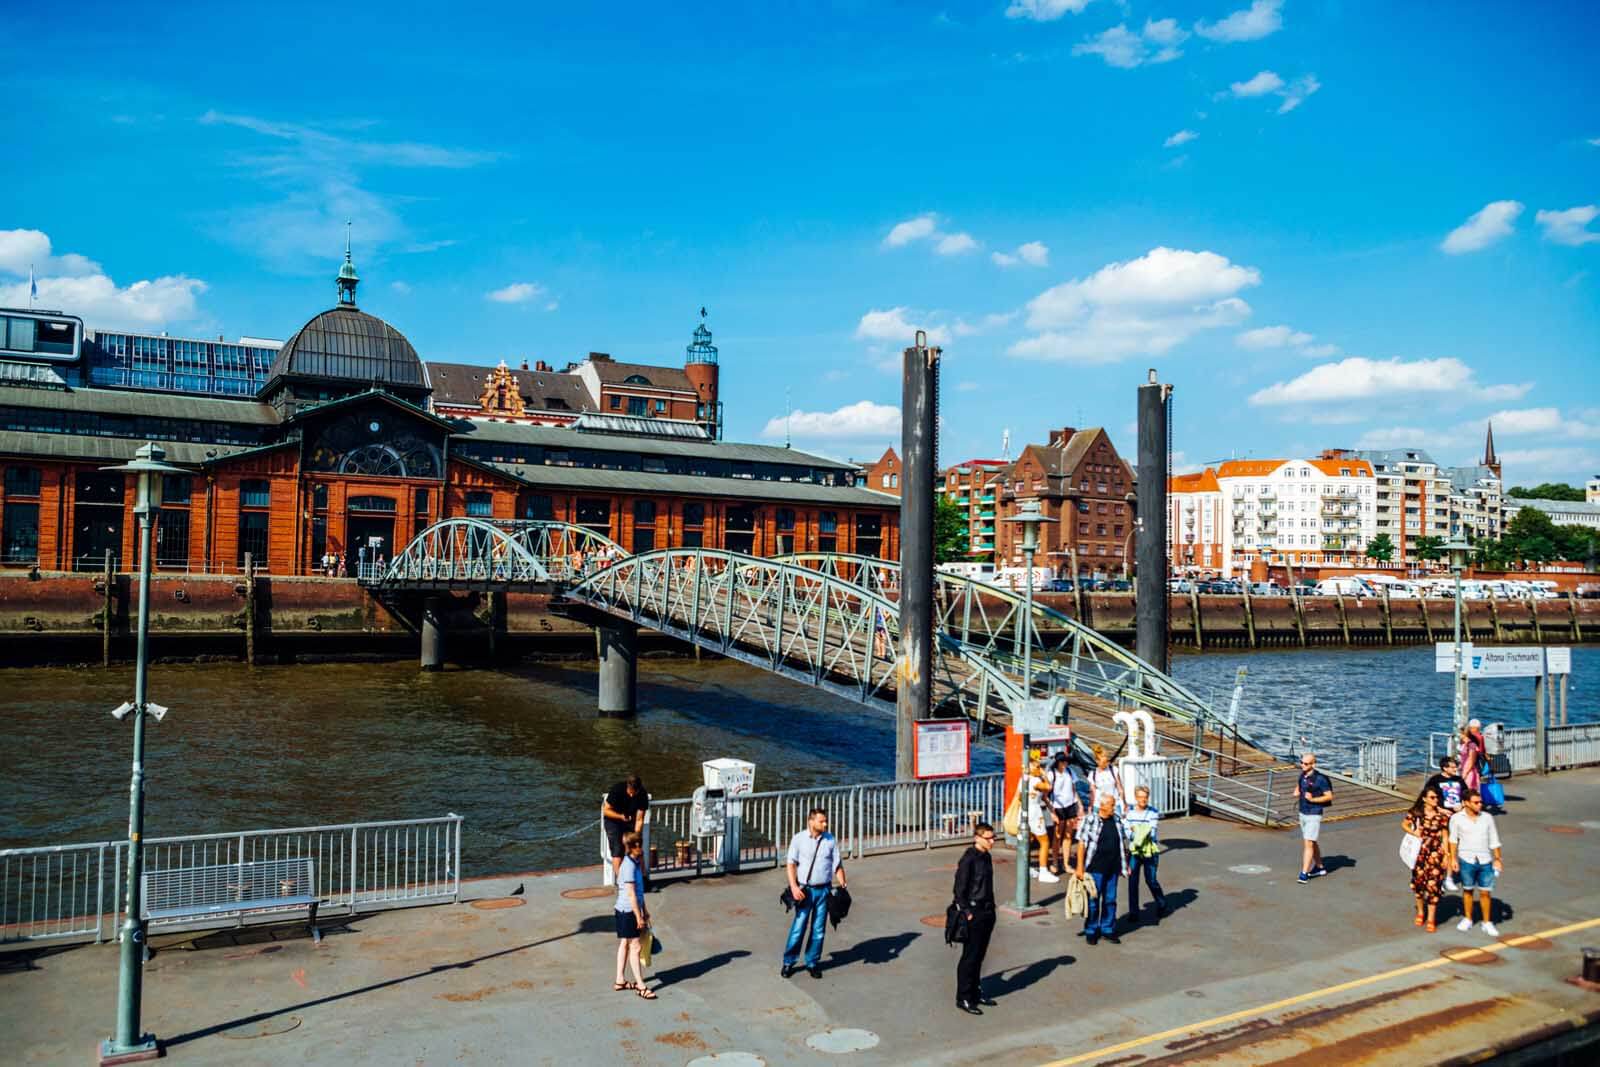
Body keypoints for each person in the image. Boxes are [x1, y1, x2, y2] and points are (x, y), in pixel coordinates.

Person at [782, 807, 847, 979]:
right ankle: (789, 962)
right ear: (811, 822)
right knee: (799, 927)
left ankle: (812, 962)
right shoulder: (799, 839)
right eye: (821, 821)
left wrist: (842, 880)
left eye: (826, 820)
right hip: (805, 890)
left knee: (818, 930)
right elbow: (790, 864)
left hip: (824, 889)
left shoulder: (830, 840)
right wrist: (794, 887)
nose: (825, 823)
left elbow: (837, 864)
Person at [952, 822, 998, 1015]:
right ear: (977, 838)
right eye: (988, 838)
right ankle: (963, 997)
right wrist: (967, 912)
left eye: (993, 837)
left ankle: (975, 992)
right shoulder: (968, 859)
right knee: (970, 957)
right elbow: (959, 889)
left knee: (980, 955)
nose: (992, 841)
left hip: (987, 911)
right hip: (974, 912)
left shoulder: (986, 856)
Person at [1074, 794, 1129, 945]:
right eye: (1112, 805)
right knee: (1093, 900)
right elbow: (1081, 844)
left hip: (1113, 867)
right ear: (1103, 806)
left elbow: (1123, 843)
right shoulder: (1090, 820)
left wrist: (1126, 864)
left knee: (1110, 900)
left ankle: (1108, 929)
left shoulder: (1117, 820)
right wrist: (1079, 868)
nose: (1114, 807)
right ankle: (1091, 930)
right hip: (1095, 868)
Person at [1448, 789, 1503, 938]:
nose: (1480, 804)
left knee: (1485, 892)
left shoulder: (1487, 818)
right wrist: (1453, 859)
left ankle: (1487, 922)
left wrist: (1498, 859)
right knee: (1467, 890)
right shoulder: (1456, 819)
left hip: (1485, 860)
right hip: (1466, 859)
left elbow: (1494, 839)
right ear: (1466, 803)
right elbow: (1453, 840)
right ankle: (1468, 918)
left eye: (1480, 802)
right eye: (1476, 802)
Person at [612, 831, 656, 999]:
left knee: (625, 943)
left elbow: (639, 891)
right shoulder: (629, 866)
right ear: (630, 847)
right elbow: (631, 894)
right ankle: (640, 985)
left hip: (629, 909)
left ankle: (620, 980)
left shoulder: (635, 862)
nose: (640, 847)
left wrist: (645, 910)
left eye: (640, 843)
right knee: (635, 947)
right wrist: (639, 917)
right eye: (637, 845)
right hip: (627, 911)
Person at [1403, 785, 1450, 932]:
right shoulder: (1416, 813)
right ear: (1424, 799)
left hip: (1436, 853)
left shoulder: (1442, 816)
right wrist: (1414, 832)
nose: (1436, 800)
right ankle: (1420, 912)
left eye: (1437, 797)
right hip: (1420, 853)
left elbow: (1445, 836)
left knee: (1433, 886)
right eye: (1432, 797)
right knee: (1419, 885)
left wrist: (1447, 855)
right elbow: (1404, 824)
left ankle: (1431, 918)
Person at [1124, 785, 1168, 926]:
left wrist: (1135, 830)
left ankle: (1161, 903)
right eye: (1140, 797)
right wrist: (1139, 831)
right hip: (1134, 852)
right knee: (1132, 882)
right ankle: (1133, 912)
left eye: (1145, 797)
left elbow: (1152, 832)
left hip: (1150, 852)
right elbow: (1127, 831)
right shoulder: (1129, 812)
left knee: (1151, 880)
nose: (1143, 800)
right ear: (1136, 798)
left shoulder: (1153, 812)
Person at [1423, 754, 1468, 891]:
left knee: (1453, 848)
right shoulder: (1435, 780)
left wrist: (1463, 805)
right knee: (1441, 849)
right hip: (1441, 818)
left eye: (1456, 767)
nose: (1456, 769)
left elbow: (1467, 795)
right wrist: (1440, 809)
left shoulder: (1459, 780)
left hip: (1456, 817)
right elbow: (1426, 798)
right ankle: (1438, 878)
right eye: (1453, 767)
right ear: (1444, 768)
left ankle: (1448, 878)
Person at [1294, 752, 1333, 885]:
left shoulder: (1320, 779)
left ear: (1313, 764)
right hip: (1303, 812)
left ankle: (1304, 873)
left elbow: (1329, 796)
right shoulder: (1303, 775)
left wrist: (1313, 799)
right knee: (1311, 841)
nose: (1302, 765)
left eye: (1305, 764)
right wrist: (1297, 791)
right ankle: (1320, 867)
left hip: (1314, 813)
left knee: (1308, 843)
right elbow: (1300, 785)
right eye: (1301, 763)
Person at [603, 774, 649, 884]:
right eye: (630, 792)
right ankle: (622, 881)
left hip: (630, 820)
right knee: (618, 850)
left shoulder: (642, 794)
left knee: (637, 848)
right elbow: (606, 810)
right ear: (627, 786)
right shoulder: (617, 789)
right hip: (613, 820)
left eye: (635, 792)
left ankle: (642, 879)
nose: (632, 795)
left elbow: (639, 819)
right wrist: (620, 816)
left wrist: (637, 836)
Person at [1024, 758, 1057, 883]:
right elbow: (1048, 787)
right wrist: (1044, 775)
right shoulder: (1035, 780)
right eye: (1037, 767)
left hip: (1025, 811)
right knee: (1044, 842)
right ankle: (1043, 871)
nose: (1039, 769)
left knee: (1028, 841)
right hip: (1035, 812)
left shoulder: (1023, 779)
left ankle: (1026, 867)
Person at [1048, 751, 1080, 875]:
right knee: (1057, 836)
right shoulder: (1051, 774)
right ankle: (1055, 862)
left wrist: (1079, 804)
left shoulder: (1070, 772)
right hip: (1058, 806)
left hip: (1070, 804)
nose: (1065, 763)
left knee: (1068, 836)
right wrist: (1052, 811)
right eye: (1063, 761)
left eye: (1066, 761)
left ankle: (1066, 863)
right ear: (1058, 762)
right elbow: (1046, 795)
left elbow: (1073, 789)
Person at [1088, 744, 1123, 815]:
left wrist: (1124, 803)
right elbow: (1092, 793)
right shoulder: (1093, 775)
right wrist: (1090, 807)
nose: (1106, 764)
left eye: (1107, 761)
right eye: (1103, 762)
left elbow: (1120, 788)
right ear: (1097, 761)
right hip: (1099, 806)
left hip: (1114, 805)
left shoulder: (1114, 770)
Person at [1459, 721, 1487, 794]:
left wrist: (1466, 772)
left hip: (1469, 769)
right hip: (1465, 767)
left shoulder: (1471, 745)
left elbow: (1472, 760)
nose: (1459, 735)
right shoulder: (1465, 743)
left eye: (1461, 734)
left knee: (1469, 787)